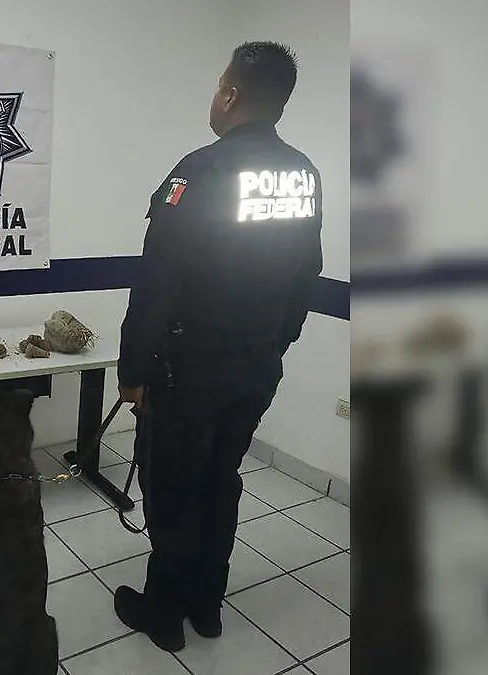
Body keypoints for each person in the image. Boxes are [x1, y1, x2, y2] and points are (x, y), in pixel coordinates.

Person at [113, 41, 324, 653]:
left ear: (230, 95)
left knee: (173, 485)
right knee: (219, 479)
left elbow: (157, 285)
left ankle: (163, 612)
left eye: (217, 85)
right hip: (256, 367)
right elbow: (306, 274)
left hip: (189, 372)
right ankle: (206, 604)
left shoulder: (200, 172)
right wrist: (276, 344)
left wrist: (132, 369)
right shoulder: (302, 174)